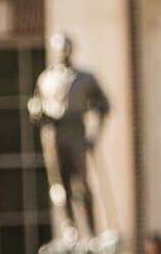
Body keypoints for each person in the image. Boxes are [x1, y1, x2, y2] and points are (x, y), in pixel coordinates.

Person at [28, 33, 111, 241]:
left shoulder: (85, 78)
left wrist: (95, 134)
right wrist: (36, 109)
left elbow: (104, 104)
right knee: (58, 183)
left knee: (81, 183)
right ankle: (69, 228)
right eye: (59, 48)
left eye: (66, 48)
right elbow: (35, 103)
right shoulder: (46, 78)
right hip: (52, 131)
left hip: (75, 129)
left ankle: (92, 231)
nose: (63, 52)